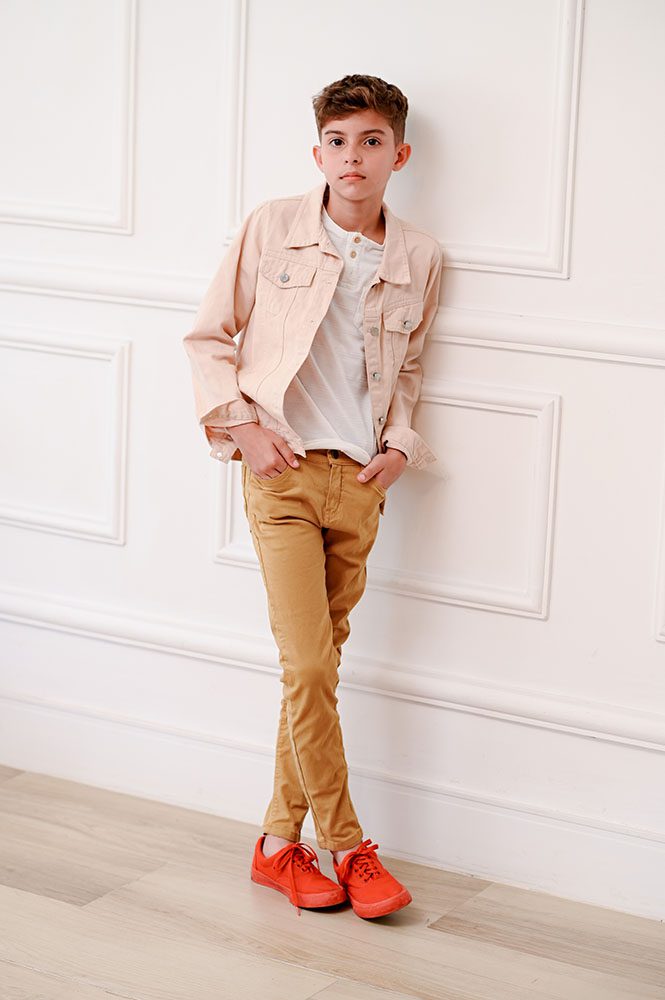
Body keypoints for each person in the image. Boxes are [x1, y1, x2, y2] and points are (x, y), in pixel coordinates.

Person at [183, 73, 443, 919]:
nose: (351, 157)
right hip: (283, 475)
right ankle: (347, 846)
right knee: (306, 666)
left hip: (359, 483)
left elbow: (408, 369)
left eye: (370, 142)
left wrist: (399, 448)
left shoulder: (418, 257)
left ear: (398, 155)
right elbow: (207, 336)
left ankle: (273, 846)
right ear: (317, 152)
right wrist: (243, 429)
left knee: (315, 673)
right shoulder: (273, 227)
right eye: (337, 141)